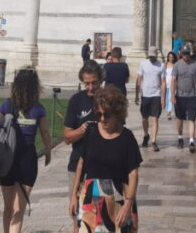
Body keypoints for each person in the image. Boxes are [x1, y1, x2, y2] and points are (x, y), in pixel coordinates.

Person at [69, 86, 142, 233]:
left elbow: (133, 174)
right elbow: (81, 164)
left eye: (107, 114)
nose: (102, 119)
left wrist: (128, 204)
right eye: (99, 114)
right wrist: (73, 196)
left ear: (117, 113)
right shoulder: (90, 132)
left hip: (118, 201)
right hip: (90, 199)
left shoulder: (127, 138)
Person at [0, 68, 52, 233]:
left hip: (7, 156)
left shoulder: (6, 105)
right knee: (18, 208)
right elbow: (45, 133)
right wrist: (48, 152)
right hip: (27, 156)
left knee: (7, 206)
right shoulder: (38, 109)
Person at [64, 61, 103, 233]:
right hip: (77, 163)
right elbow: (66, 137)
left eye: (94, 82)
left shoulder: (107, 99)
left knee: (100, 216)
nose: (90, 87)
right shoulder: (76, 100)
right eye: (86, 83)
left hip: (103, 165)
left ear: (100, 80)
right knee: (78, 215)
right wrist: (81, 130)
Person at [171, 44, 196, 153]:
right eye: (184, 54)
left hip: (192, 96)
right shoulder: (177, 65)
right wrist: (172, 96)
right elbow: (173, 81)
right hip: (180, 96)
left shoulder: (195, 65)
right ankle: (180, 137)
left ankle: (191, 141)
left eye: (187, 54)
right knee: (180, 119)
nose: (186, 56)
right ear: (181, 54)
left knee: (192, 119)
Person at [135, 47, 164, 152]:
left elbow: (163, 82)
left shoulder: (161, 65)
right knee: (144, 118)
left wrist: (163, 98)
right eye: (150, 55)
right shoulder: (143, 63)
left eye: (153, 56)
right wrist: (136, 95)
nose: (152, 58)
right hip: (145, 94)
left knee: (155, 118)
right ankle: (146, 134)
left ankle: (153, 141)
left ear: (156, 55)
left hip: (156, 94)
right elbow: (138, 79)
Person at [163, 51, 176, 120]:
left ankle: (169, 112)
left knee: (170, 97)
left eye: (172, 57)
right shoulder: (165, 65)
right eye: (170, 57)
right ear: (168, 57)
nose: (171, 58)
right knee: (166, 97)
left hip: (172, 84)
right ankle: (167, 110)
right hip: (166, 83)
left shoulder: (175, 65)